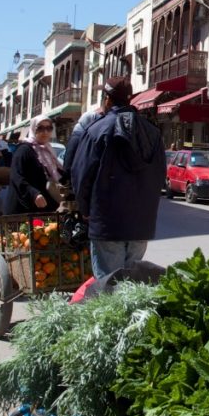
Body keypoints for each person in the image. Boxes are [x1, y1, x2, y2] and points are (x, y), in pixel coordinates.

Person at [71, 77, 166, 278]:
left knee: (109, 285)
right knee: (131, 287)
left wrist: (85, 209)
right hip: (140, 225)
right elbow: (160, 176)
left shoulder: (98, 130)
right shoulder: (152, 132)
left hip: (107, 222)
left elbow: (81, 174)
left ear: (107, 99)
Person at [4, 117, 62, 215]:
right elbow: (17, 176)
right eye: (40, 128)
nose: (45, 132)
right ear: (33, 129)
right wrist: (34, 194)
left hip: (43, 207)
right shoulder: (24, 150)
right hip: (24, 207)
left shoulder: (48, 150)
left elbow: (57, 172)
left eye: (49, 128)